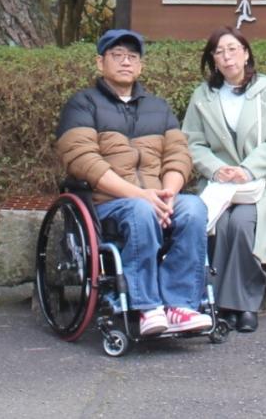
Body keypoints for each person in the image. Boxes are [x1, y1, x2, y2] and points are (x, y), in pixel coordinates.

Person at [54, 28, 213, 337]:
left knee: (193, 208)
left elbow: (179, 155)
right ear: (100, 63)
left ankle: (179, 305)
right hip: (107, 203)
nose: (125, 62)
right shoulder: (82, 105)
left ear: (140, 66)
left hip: (155, 199)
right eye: (117, 55)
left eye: (132, 57)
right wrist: (141, 195)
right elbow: (83, 160)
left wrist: (168, 194)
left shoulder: (159, 107)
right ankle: (146, 306)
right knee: (140, 210)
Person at [181, 27, 266, 335]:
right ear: (213, 60)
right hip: (219, 185)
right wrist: (217, 169)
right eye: (219, 52)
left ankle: (243, 305)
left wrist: (247, 169)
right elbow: (192, 141)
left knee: (243, 224)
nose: (227, 57)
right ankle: (218, 304)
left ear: (246, 54)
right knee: (219, 224)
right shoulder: (203, 96)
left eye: (233, 49)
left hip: (261, 183)